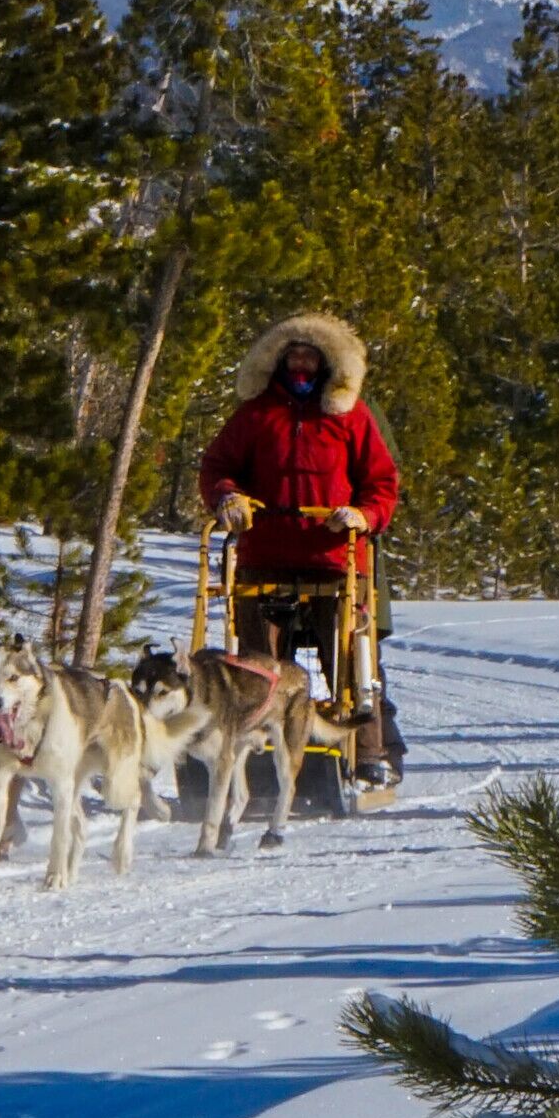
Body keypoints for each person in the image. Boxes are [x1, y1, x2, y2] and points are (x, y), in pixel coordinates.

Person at [199, 310, 405, 787]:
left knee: (350, 661)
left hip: (333, 561)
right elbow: (218, 466)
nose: (301, 363)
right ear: (276, 359)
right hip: (263, 556)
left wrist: (363, 515)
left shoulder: (350, 415)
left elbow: (381, 483)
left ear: (329, 362)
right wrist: (226, 496)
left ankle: (367, 751)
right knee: (255, 667)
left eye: (310, 355)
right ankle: (250, 754)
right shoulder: (255, 414)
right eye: (292, 353)